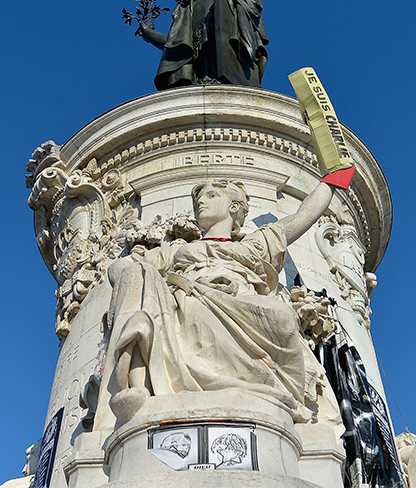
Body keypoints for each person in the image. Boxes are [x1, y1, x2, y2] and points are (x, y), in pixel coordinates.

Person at [105, 171, 352, 427]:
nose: (201, 202)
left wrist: (334, 178)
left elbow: (303, 217)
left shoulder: (254, 245)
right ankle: (135, 387)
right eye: (199, 199)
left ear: (234, 207)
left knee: (282, 315)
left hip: (241, 302)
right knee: (143, 277)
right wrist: (136, 272)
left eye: (211, 196)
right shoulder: (176, 251)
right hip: (188, 299)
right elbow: (119, 268)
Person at [138, 0, 268, 90]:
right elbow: (178, 45)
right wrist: (149, 34)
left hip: (228, 76)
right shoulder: (187, 7)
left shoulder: (221, 0)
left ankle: (216, 77)